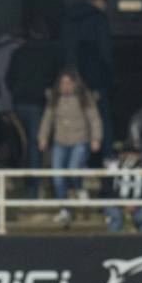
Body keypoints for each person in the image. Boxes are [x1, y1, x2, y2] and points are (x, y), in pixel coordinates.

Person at [38, 69, 102, 223]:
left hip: (79, 140)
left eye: (69, 83)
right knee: (58, 177)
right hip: (60, 142)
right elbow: (47, 119)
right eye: (63, 83)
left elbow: (94, 119)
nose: (65, 86)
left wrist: (96, 138)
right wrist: (43, 137)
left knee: (74, 170)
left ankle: (80, 189)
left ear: (75, 84)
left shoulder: (84, 98)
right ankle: (65, 208)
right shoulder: (54, 99)